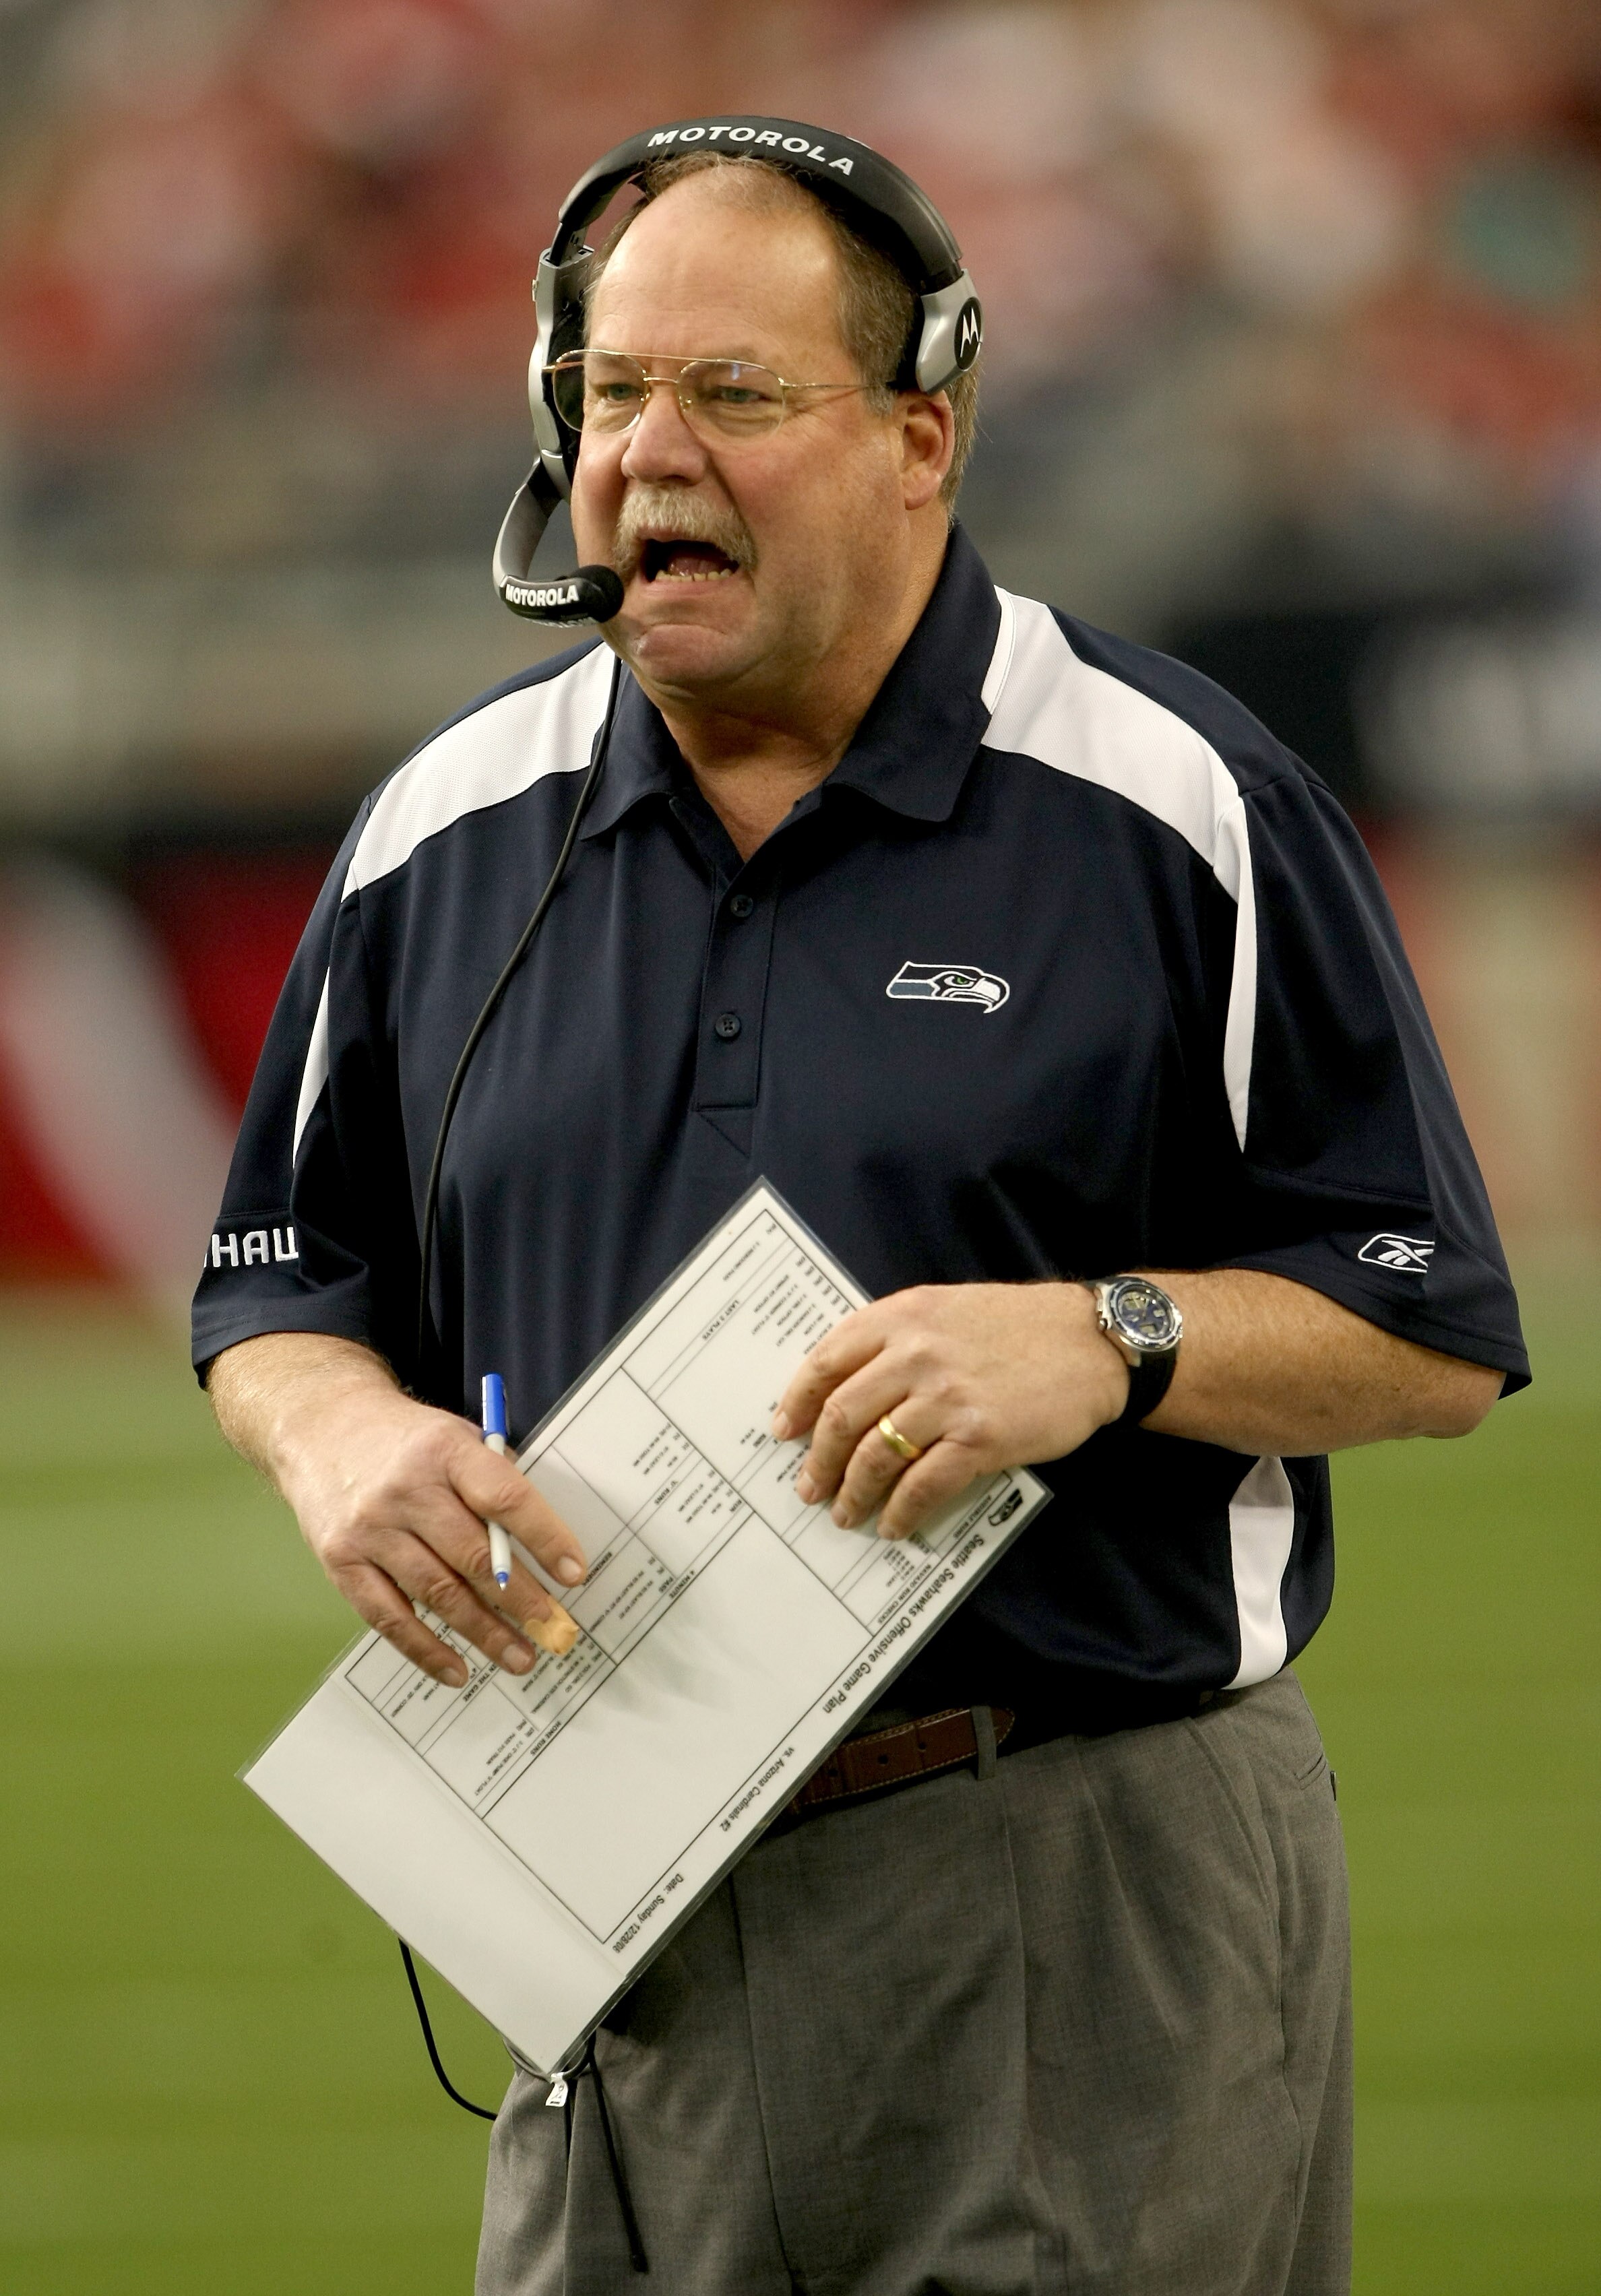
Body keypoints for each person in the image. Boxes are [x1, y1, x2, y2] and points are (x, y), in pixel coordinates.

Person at [195, 129, 1528, 2296]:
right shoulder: (443, 827)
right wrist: (334, 1432)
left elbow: (1430, 1321)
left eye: (733, 395)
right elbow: (281, 1274)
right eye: (609, 394)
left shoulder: (1166, 802)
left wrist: (1108, 1338)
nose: (645, 457)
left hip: (1070, 1866)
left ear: (922, 437)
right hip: (594, 1887)